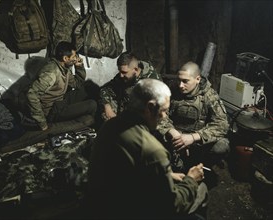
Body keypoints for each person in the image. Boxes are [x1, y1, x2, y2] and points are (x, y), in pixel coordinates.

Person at [81, 78, 208, 219]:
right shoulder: (152, 149)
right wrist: (191, 179)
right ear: (150, 107)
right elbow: (171, 205)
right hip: (126, 212)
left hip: (102, 204)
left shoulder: (110, 126)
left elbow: (124, 168)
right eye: (164, 110)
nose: (165, 116)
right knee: (201, 190)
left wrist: (166, 175)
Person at [159, 61, 230, 170]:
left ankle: (203, 163)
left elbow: (222, 125)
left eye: (185, 81)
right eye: (179, 80)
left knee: (221, 146)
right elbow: (160, 115)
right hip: (175, 138)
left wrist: (193, 137)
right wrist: (174, 134)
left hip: (198, 142)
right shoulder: (172, 90)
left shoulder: (209, 96)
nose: (180, 85)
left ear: (197, 79)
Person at [27, 41, 97, 131]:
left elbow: (77, 84)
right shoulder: (51, 73)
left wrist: (79, 67)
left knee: (90, 88)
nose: (76, 59)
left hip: (60, 101)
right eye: (73, 57)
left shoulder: (64, 68)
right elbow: (31, 95)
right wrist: (42, 123)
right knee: (92, 104)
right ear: (65, 58)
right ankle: (93, 130)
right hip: (52, 111)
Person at [98, 51, 162, 122]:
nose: (121, 75)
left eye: (124, 72)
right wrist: (107, 107)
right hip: (124, 110)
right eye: (119, 71)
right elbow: (105, 89)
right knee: (105, 112)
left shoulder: (152, 81)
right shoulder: (122, 76)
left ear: (135, 69)